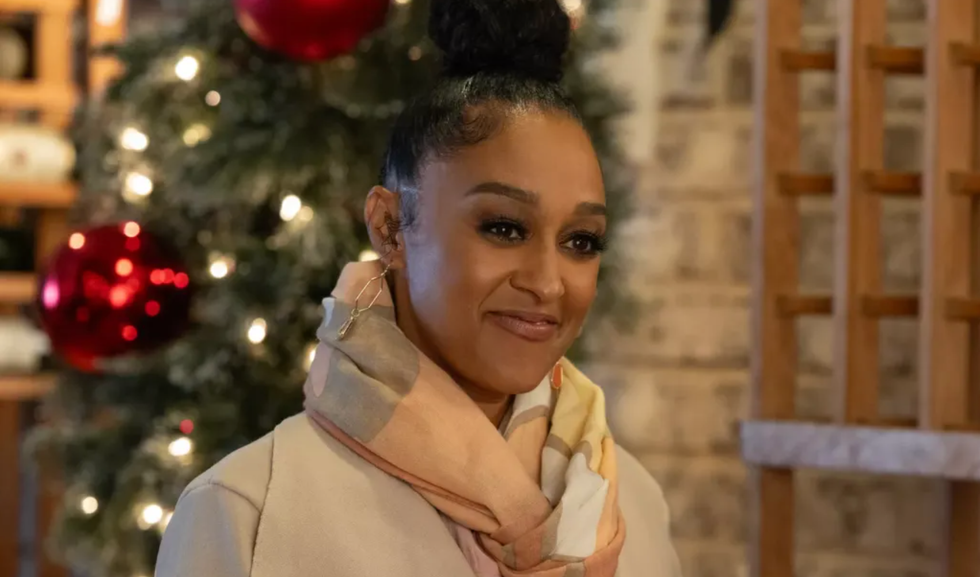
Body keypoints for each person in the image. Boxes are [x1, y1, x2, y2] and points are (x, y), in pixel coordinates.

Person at [154, 0, 680, 575]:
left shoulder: (632, 504)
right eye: (504, 228)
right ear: (390, 227)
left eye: (581, 240)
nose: (549, 283)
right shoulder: (247, 512)